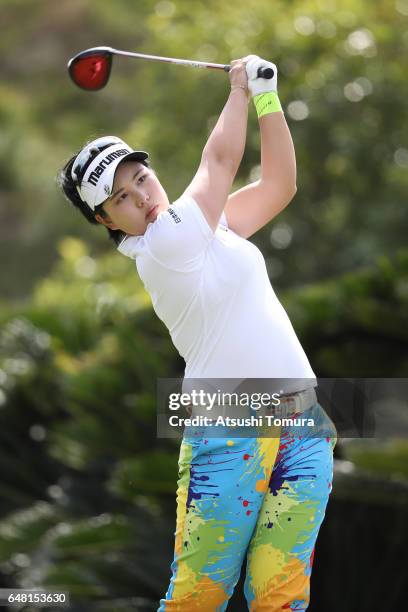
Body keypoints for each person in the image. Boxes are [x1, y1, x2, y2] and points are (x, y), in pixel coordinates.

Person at [59, 55, 337, 611]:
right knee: (199, 597)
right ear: (107, 221)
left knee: (282, 596)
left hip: (301, 419)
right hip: (228, 428)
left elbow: (279, 185)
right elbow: (220, 158)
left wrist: (266, 98)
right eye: (121, 199)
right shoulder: (163, 247)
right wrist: (238, 89)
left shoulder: (213, 229)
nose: (142, 198)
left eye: (141, 179)